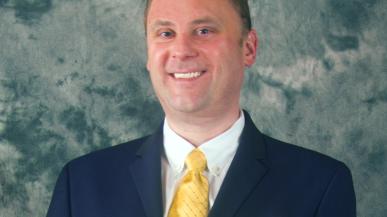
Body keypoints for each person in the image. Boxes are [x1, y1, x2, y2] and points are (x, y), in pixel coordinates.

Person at [46, 0, 356, 216]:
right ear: (148, 52)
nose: (181, 50)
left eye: (204, 30)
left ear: (248, 48)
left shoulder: (320, 184)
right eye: (166, 33)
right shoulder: (82, 182)